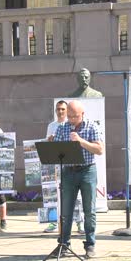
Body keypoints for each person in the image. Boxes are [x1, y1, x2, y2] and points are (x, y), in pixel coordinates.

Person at [53, 100, 104, 258]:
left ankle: (90, 244)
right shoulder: (62, 127)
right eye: (69, 116)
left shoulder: (92, 126)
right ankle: (64, 244)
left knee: (89, 211)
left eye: (75, 116)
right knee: (66, 211)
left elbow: (99, 149)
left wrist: (80, 141)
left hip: (87, 170)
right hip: (68, 171)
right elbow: (57, 149)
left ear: (83, 114)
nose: (72, 120)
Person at [43, 100, 85, 235]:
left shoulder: (72, 125)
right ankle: (54, 222)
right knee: (55, 194)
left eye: (62, 109)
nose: (60, 112)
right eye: (58, 109)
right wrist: (49, 140)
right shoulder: (52, 125)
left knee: (76, 195)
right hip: (56, 164)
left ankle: (80, 223)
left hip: (70, 165)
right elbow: (47, 144)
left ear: (68, 111)